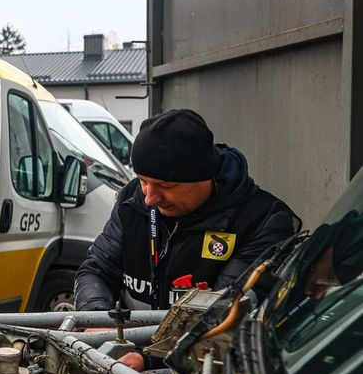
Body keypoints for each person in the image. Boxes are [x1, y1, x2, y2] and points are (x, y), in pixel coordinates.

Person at [75, 108, 299, 311]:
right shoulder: (132, 199)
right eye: (143, 180)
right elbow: (95, 270)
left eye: (166, 186)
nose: (150, 198)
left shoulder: (262, 222)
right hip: (125, 351)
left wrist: (141, 356)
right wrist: (96, 321)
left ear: (203, 177)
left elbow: (220, 314)